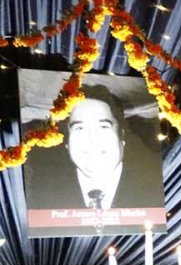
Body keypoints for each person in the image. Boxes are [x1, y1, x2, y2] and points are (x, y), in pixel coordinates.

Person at [27, 86, 162, 214]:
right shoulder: (38, 192)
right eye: (80, 128)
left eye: (103, 127)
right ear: (66, 142)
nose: (93, 139)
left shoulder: (159, 187)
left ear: (122, 136)